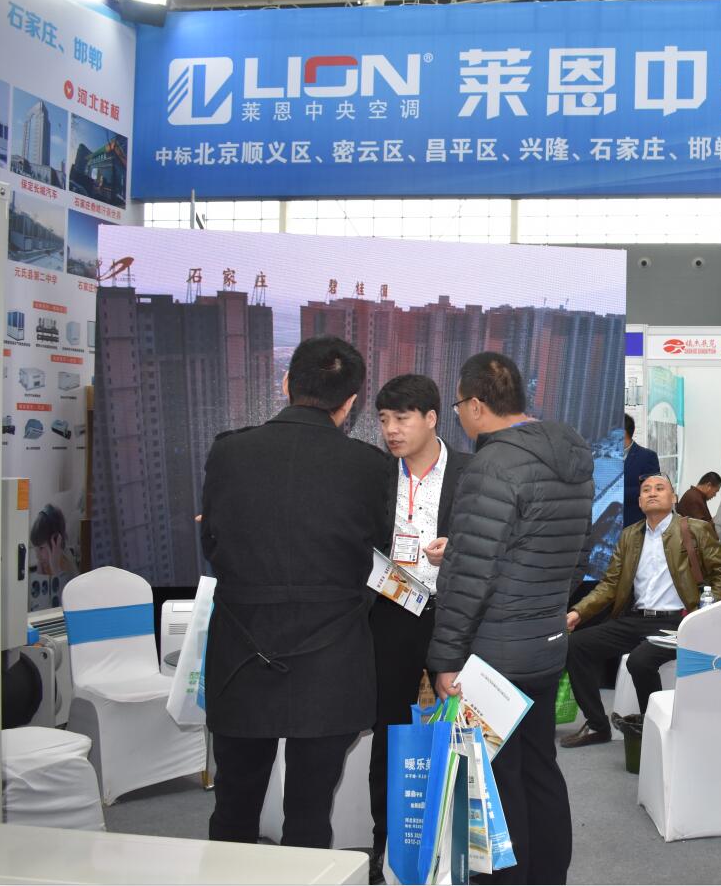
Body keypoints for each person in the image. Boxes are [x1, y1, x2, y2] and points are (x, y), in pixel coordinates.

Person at [200, 336, 393, 849]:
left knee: (233, 808)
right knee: (310, 813)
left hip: (241, 656)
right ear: (350, 402)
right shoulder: (371, 466)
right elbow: (379, 555)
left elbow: (211, 545)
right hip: (331, 660)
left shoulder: (228, 452)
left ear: (286, 383)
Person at [429, 352, 593, 885]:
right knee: (540, 768)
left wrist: (445, 659)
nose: (459, 416)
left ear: (477, 404)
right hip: (544, 642)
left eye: (459, 405)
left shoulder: (492, 464)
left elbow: (469, 577)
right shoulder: (572, 455)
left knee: (496, 780)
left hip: (495, 653)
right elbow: (571, 553)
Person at [366, 374, 472, 883]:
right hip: (392, 611)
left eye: (402, 418)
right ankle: (385, 845)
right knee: (389, 729)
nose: (391, 429)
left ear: (432, 418)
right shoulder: (375, 474)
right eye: (384, 419)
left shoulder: (471, 472)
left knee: (464, 725)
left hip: (454, 611)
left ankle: (464, 844)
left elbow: (499, 537)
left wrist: (460, 549)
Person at [560, 474, 721, 747]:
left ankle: (652, 731)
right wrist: (578, 613)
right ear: (640, 501)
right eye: (646, 490)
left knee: (639, 661)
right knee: (576, 645)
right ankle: (597, 725)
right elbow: (610, 585)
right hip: (635, 618)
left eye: (659, 488)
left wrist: (704, 616)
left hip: (679, 621)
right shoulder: (629, 535)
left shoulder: (696, 529)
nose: (652, 493)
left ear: (673, 498)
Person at [623, 413, 660, 529]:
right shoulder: (603, 454)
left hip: (634, 523)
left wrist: (618, 493)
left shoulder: (647, 457)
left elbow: (651, 490)